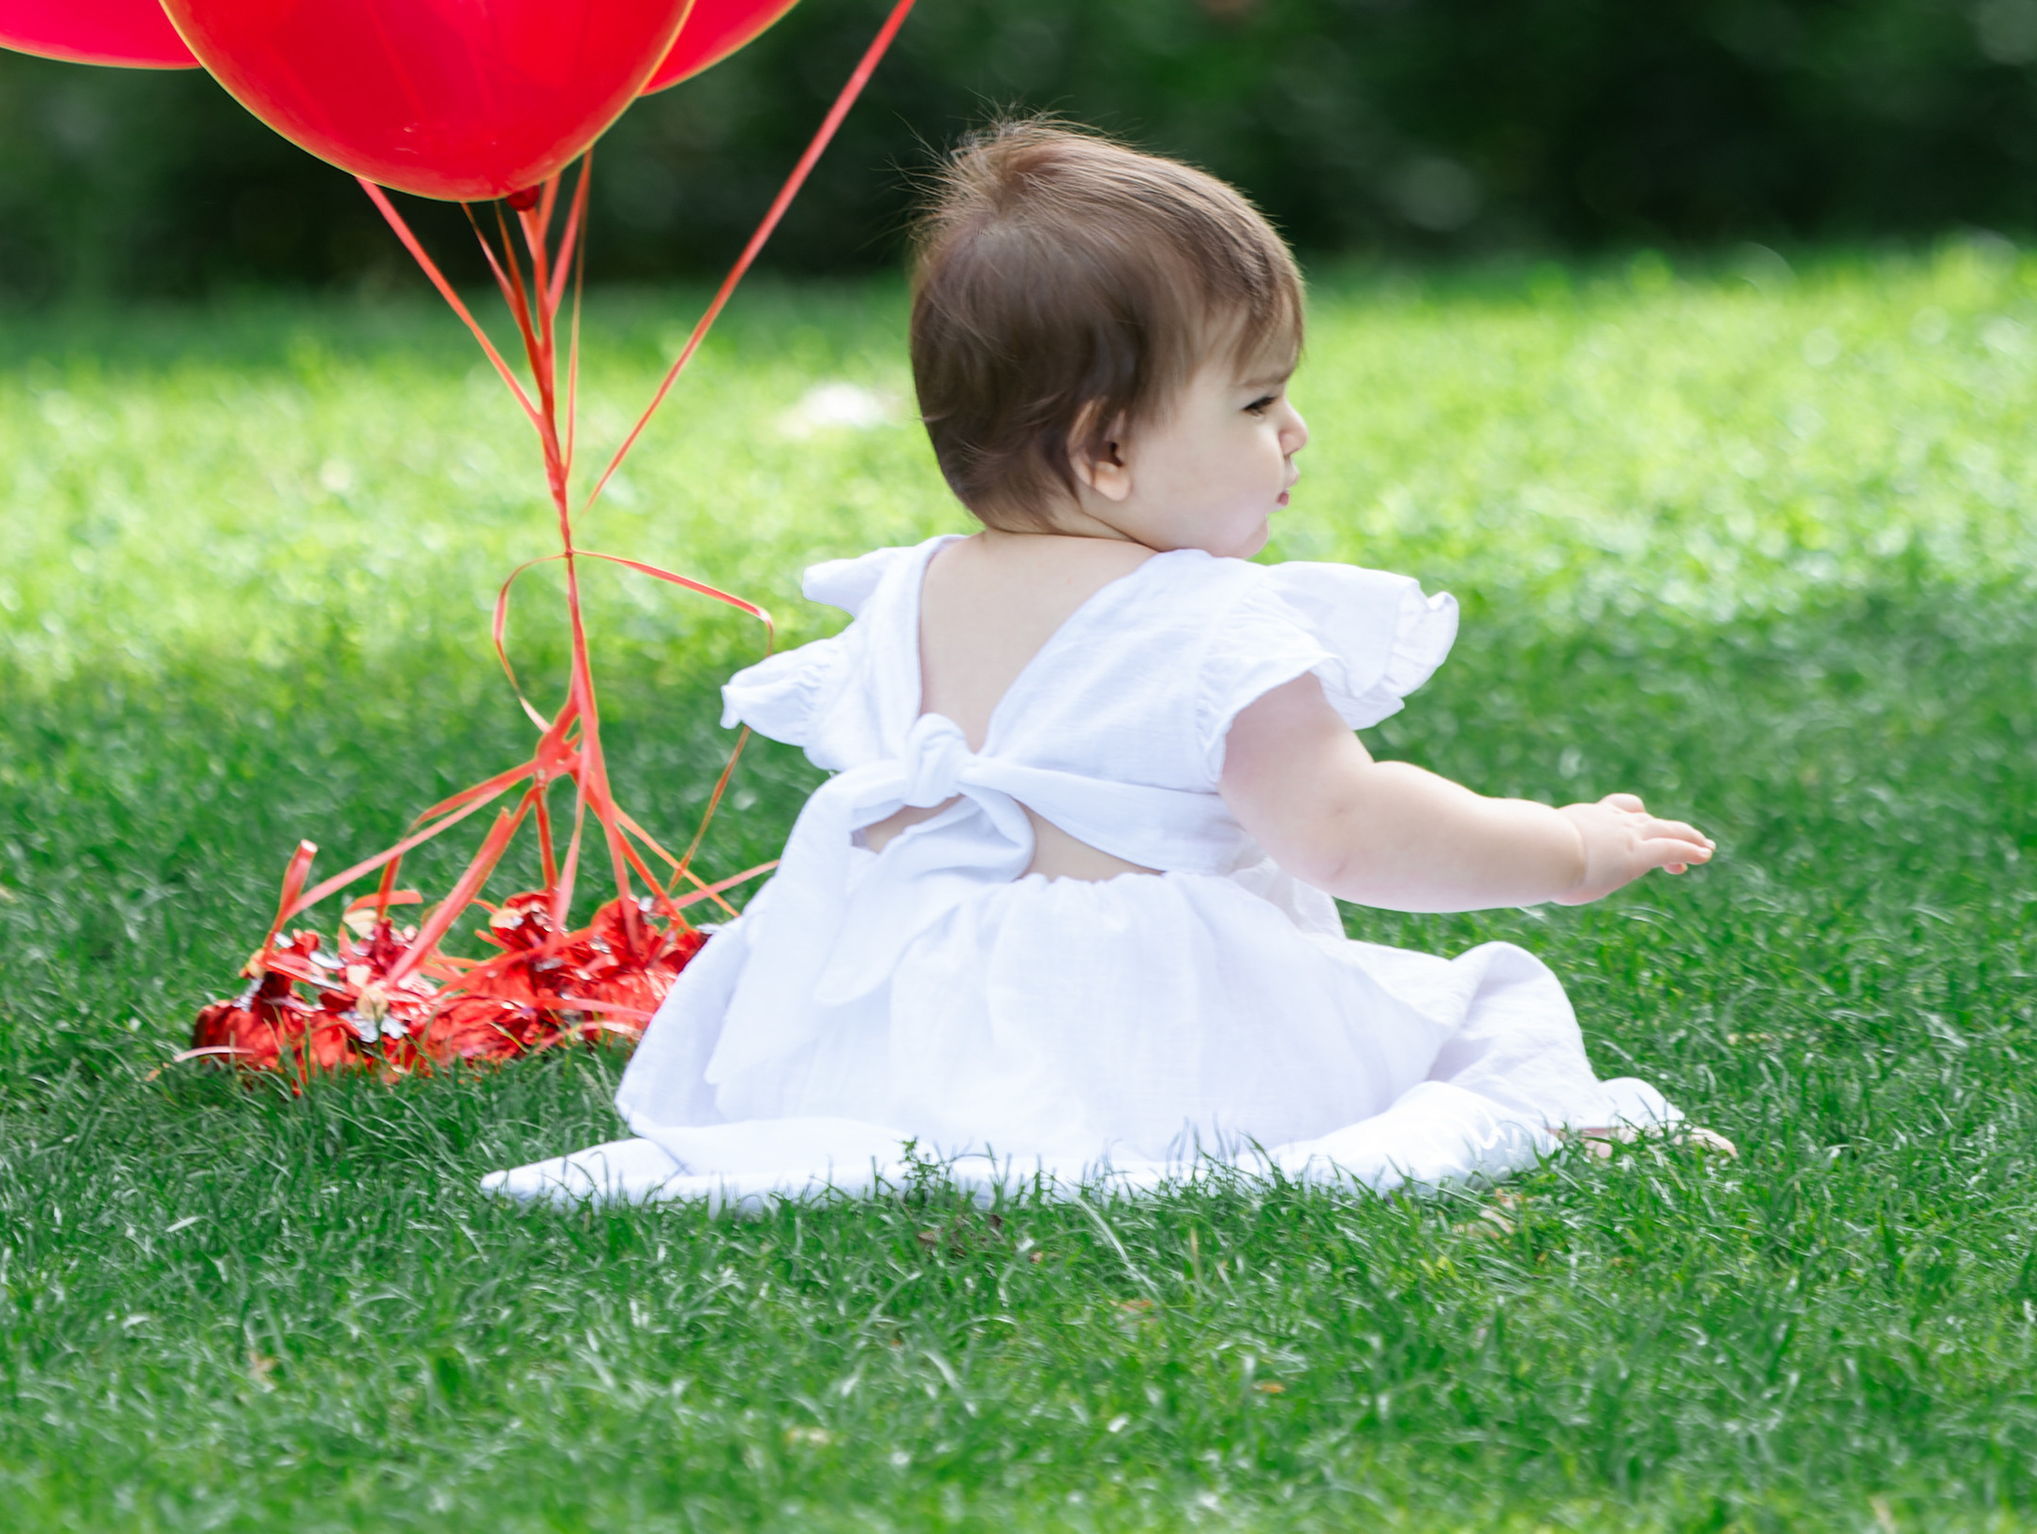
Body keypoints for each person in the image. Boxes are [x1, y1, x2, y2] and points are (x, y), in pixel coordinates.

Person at [487, 121, 1715, 1211]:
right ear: (1109, 451)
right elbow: (1343, 829)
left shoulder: (910, 594)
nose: (1295, 433)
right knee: (1476, 1034)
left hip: (896, 1047)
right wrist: (1563, 849)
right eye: (1256, 401)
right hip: (1142, 1040)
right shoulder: (1205, 623)